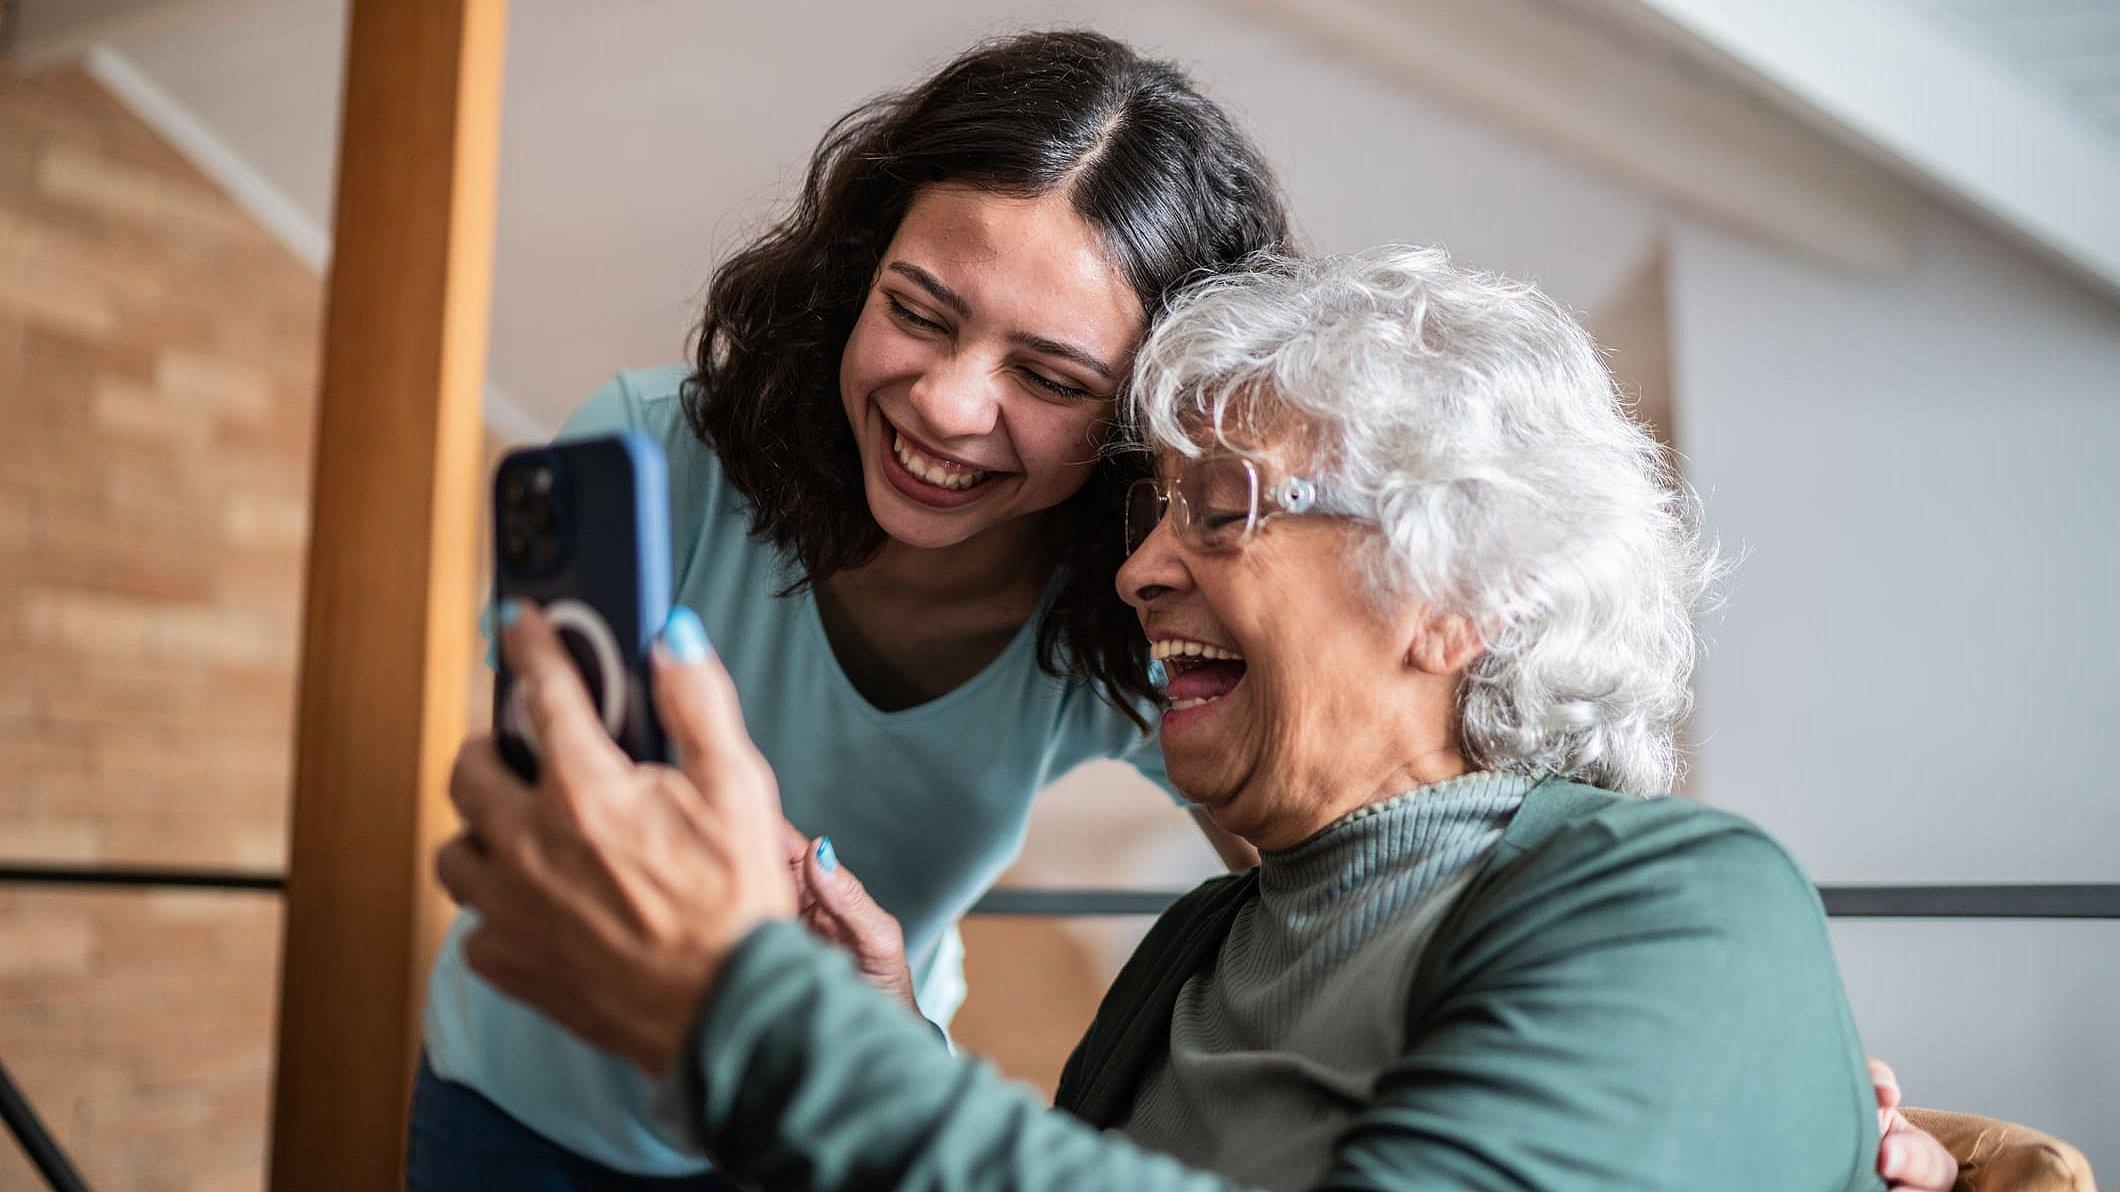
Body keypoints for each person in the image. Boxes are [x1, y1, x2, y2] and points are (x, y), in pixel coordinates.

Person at [438, 247, 1960, 1190]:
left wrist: (751, 1021)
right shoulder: (1205, 947)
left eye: (1221, 507)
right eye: (1153, 511)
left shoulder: (1682, 898)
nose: (1138, 570)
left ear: (1461, 594)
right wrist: (874, 1034)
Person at [409, 29, 1290, 1188]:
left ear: (1141, 423)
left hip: (826, 1126)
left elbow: (1321, 887)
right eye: (918, 312)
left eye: (1047, 377)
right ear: (855, 274)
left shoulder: (1136, 602)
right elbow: (534, 814)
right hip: (519, 1113)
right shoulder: (651, 454)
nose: (946, 404)